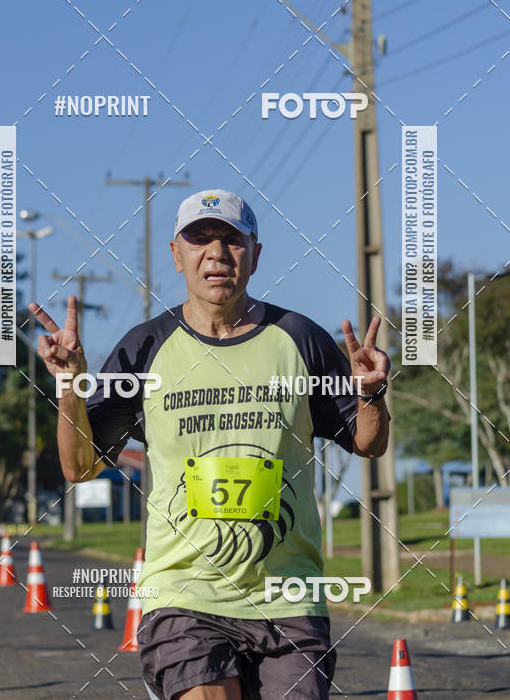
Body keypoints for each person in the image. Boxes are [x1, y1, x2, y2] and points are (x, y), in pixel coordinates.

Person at [30, 188, 390, 700]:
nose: (216, 253)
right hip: (183, 593)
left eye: (232, 240)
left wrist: (371, 393)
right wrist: (69, 384)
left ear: (256, 255)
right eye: (199, 239)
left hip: (289, 593)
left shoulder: (300, 338)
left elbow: (368, 442)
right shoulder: (145, 348)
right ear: (177, 256)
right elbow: (79, 466)